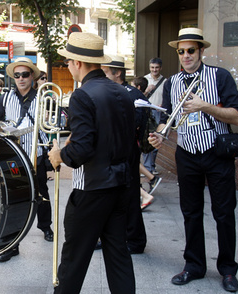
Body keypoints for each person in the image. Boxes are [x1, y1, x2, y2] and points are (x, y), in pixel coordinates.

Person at [148, 27, 238, 293]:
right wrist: (159, 134)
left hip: (216, 152)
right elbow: (167, 118)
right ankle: (194, 265)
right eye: (181, 51)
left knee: (223, 214)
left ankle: (227, 270)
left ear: (201, 51)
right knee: (190, 212)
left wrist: (205, 106)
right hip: (187, 153)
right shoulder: (173, 82)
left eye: (191, 50)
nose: (186, 55)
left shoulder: (219, 77)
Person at [48, 32, 136, 294]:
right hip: (121, 186)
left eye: (68, 62)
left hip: (92, 190)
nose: (67, 67)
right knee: (118, 256)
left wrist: (60, 156)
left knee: (73, 261)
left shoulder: (82, 95)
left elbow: (81, 151)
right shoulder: (122, 91)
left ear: (77, 62)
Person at [0, 57, 54, 262]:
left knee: (42, 192)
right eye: (17, 75)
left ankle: (46, 227)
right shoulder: (5, 98)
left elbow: (52, 124)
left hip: (37, 153)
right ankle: (11, 244)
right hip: (13, 156)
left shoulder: (43, 97)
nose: (21, 78)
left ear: (32, 76)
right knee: (13, 198)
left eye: (25, 74)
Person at [102, 55, 148, 254]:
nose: (102, 76)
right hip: (109, 151)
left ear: (117, 72)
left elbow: (137, 123)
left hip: (127, 151)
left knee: (129, 195)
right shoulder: (109, 91)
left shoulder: (133, 95)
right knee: (109, 196)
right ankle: (112, 237)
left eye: (105, 71)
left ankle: (136, 240)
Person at [142, 58, 166, 175]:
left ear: (160, 68)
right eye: (152, 67)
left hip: (159, 112)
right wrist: (147, 90)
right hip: (147, 111)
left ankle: (151, 166)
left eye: (156, 67)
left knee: (156, 139)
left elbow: (168, 98)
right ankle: (147, 168)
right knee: (147, 138)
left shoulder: (165, 81)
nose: (154, 70)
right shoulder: (145, 79)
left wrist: (163, 105)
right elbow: (140, 96)